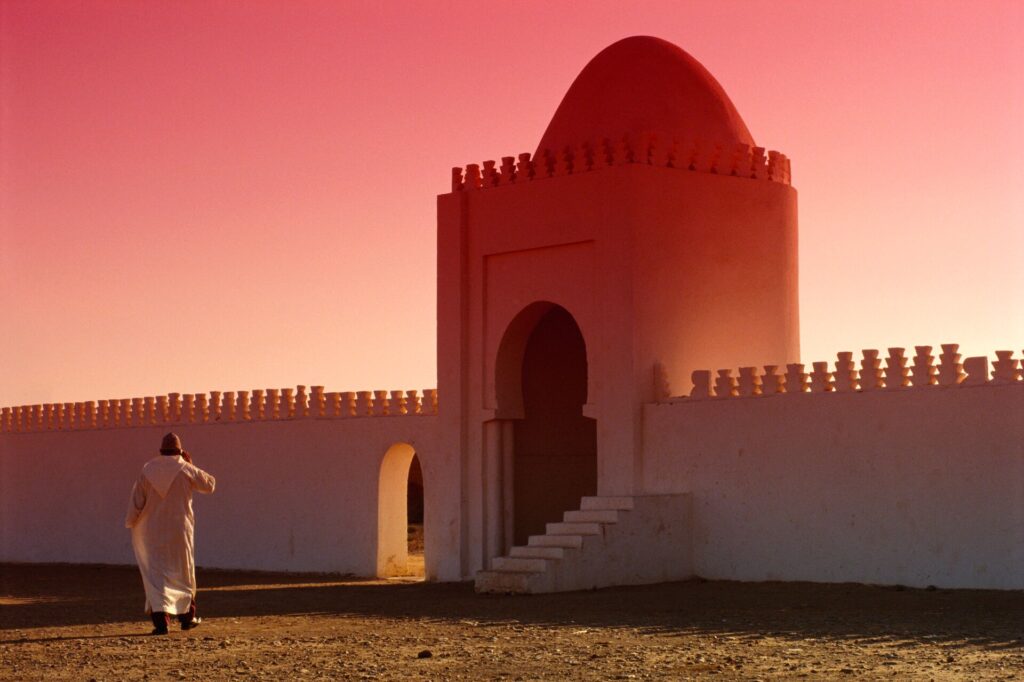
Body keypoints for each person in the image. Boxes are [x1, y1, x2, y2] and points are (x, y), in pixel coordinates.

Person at [125, 432, 216, 635]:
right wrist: (190, 463)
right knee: (183, 572)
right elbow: (210, 485)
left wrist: (131, 523)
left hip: (152, 532)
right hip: (179, 531)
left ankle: (161, 622)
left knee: (156, 576)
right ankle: (187, 617)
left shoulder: (148, 469)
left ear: (161, 450)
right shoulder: (185, 468)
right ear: (180, 451)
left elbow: (136, 502)